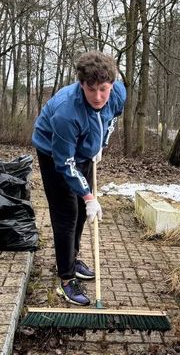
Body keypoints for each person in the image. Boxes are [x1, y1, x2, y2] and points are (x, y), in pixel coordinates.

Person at [32, 51, 126, 307]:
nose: (98, 97)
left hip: (84, 150)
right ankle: (66, 278)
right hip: (55, 154)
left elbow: (111, 119)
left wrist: (100, 146)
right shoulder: (66, 112)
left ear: (112, 85)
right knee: (68, 213)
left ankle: (71, 258)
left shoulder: (118, 94)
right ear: (81, 84)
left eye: (103, 90)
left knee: (84, 212)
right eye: (91, 89)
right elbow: (65, 163)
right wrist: (89, 196)